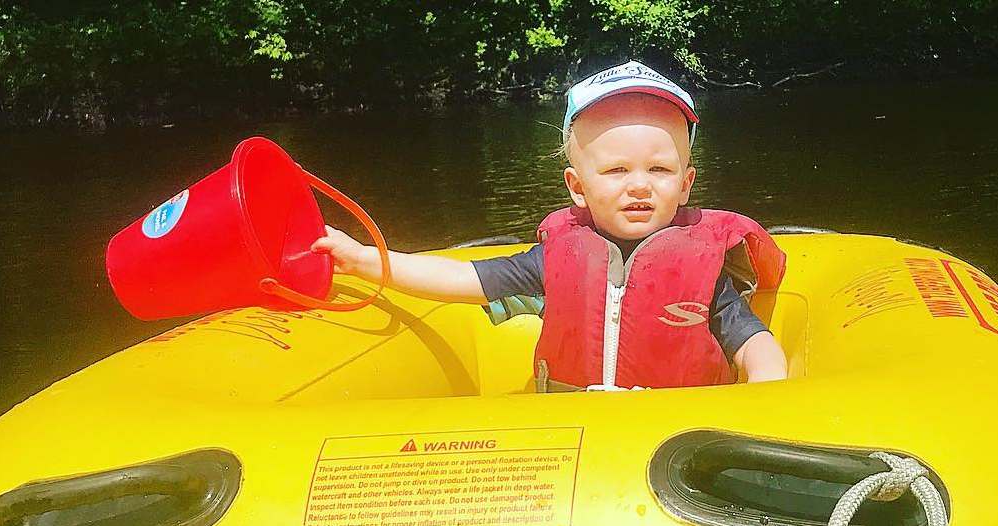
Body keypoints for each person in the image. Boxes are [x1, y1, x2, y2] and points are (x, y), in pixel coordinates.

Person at [312, 60, 788, 391]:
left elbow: (753, 344)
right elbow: (464, 279)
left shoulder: (704, 264)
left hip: (678, 434)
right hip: (576, 432)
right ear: (577, 187)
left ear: (685, 185)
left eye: (659, 171)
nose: (640, 186)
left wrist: (767, 394)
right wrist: (363, 260)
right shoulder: (556, 255)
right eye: (617, 171)